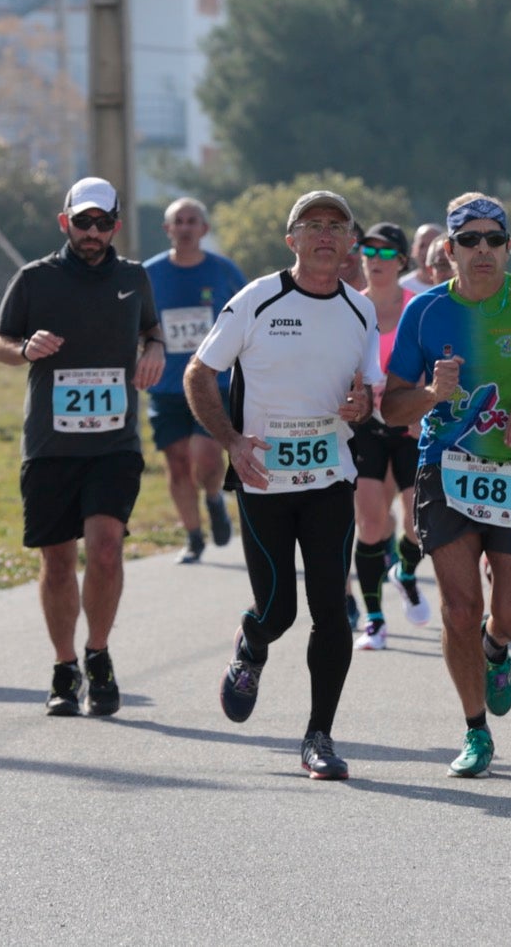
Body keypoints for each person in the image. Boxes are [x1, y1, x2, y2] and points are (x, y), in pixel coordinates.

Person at [381, 192, 511, 778]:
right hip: (444, 470)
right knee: (459, 607)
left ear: (507, 247)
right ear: (449, 250)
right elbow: (393, 407)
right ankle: (475, 729)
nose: (482, 250)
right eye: (469, 240)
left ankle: (496, 646)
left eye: (494, 240)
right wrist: (432, 395)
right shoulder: (425, 311)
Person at [187, 189, 381, 780]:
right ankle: (252, 644)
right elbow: (199, 374)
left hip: (329, 477)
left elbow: (368, 393)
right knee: (278, 611)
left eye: (336, 226)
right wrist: (231, 441)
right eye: (312, 224)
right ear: (291, 239)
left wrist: (362, 406)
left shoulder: (360, 310)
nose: (324, 234)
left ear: (350, 244)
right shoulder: (257, 299)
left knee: (331, 611)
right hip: (263, 478)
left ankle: (319, 736)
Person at [0, 177, 166, 716]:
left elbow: (152, 330)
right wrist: (25, 347)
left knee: (106, 548)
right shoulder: (34, 278)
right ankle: (65, 666)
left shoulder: (134, 277)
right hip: (50, 444)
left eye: (102, 223)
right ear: (64, 222)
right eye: (83, 222)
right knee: (59, 559)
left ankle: (98, 654)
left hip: (114, 441)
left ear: (116, 226)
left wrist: (154, 350)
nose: (92, 232)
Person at [143, 197, 247, 563]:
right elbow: (133, 321)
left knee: (206, 457)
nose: (185, 227)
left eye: (192, 221)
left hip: (212, 384)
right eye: (179, 221)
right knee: (176, 463)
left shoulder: (223, 271)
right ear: (167, 229)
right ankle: (192, 537)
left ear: (204, 229)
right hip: (165, 384)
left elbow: (249, 316)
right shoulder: (149, 273)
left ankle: (214, 497)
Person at [347, 222, 431, 651]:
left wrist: (424, 404)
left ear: (401, 261)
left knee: (418, 523)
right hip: (365, 428)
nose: (374, 261)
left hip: (409, 425)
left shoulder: (419, 307)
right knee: (370, 522)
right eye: (368, 252)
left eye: (384, 254)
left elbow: (436, 363)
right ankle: (375, 620)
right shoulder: (349, 309)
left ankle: (406, 571)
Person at [401, 223, 444, 295]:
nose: (426, 251)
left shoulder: (456, 286)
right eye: (422, 246)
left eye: (432, 245)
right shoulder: (403, 287)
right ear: (413, 250)